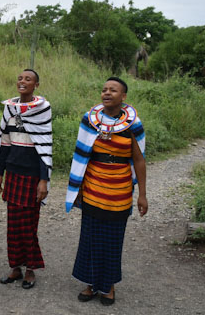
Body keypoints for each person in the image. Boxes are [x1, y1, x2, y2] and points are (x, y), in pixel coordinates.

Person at [66, 77, 148, 306]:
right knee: (90, 237)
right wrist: (78, 190)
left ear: (123, 97)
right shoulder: (89, 120)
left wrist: (142, 194)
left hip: (119, 191)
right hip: (93, 187)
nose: (107, 93)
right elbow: (81, 155)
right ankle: (91, 283)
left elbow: (139, 160)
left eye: (113, 90)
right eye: (104, 89)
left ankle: (108, 285)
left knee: (113, 239)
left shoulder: (133, 124)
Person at [0, 69, 52, 289]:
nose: (22, 81)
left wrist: (43, 180)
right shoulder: (10, 108)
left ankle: (30, 269)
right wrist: (0, 173)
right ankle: (15, 267)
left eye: (28, 79)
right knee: (13, 224)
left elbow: (44, 147)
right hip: (13, 174)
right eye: (20, 78)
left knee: (29, 224)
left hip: (32, 176)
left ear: (36, 84)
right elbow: (5, 143)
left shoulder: (42, 109)